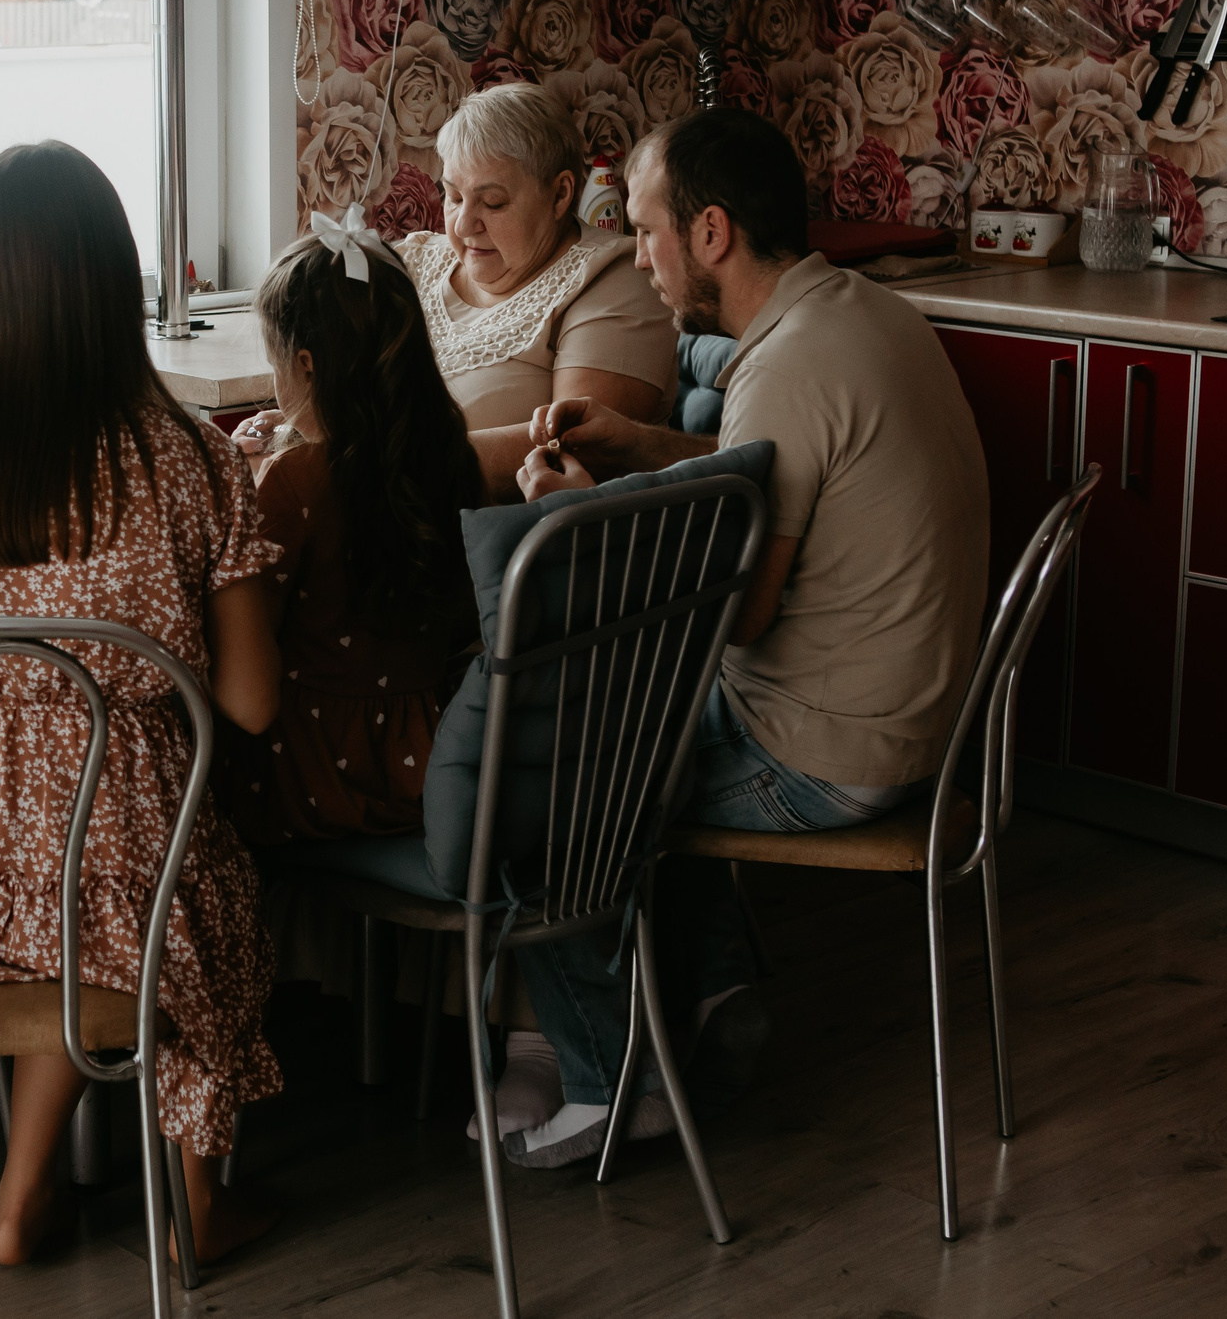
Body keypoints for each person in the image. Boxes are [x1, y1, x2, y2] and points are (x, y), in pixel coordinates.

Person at [491, 106, 991, 1167]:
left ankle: (609, 1083)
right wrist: (647, 448)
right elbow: (771, 460)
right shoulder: (851, 314)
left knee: (545, 788)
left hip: (828, 753)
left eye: (644, 228)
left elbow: (737, 614)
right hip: (929, 726)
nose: (637, 254)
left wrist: (573, 513)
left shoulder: (786, 366)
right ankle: (712, 1000)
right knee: (639, 724)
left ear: (709, 231)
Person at [0, 141, 284, 1267]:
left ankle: (22, 1203)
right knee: (171, 891)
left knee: (68, 903)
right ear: (108, 279)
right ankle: (196, 1207)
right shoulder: (190, 459)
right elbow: (252, 705)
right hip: (125, 897)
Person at [243, 83, 678, 500]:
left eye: (493, 203)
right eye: (452, 196)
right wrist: (303, 425)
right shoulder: (412, 261)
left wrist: (349, 459)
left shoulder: (612, 276)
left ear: (561, 194)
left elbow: (575, 452)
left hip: (502, 547)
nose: (464, 224)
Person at [224, 215, 481, 844]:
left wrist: (245, 482)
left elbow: (256, 633)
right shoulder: (448, 454)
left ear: (306, 365)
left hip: (314, 775)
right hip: (426, 760)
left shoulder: (297, 481)